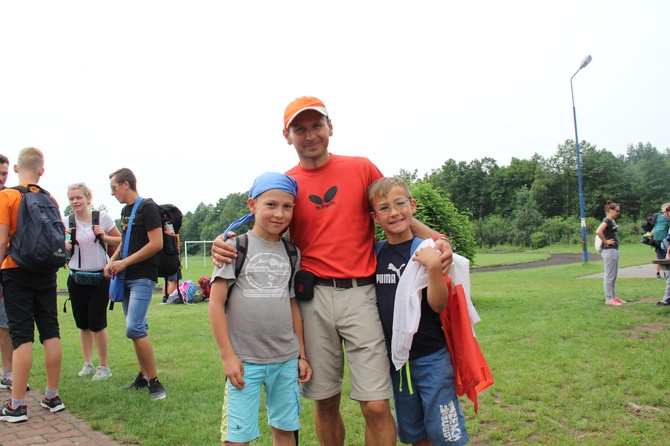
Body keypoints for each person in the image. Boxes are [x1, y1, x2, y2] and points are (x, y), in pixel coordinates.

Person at [212, 96, 453, 446]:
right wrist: (223, 241)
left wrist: (438, 239)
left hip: (362, 295)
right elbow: (261, 227)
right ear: (287, 136)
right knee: (325, 401)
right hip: (312, 300)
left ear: (330, 127)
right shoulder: (287, 183)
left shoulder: (361, 168)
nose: (310, 135)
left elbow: (394, 209)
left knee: (376, 405)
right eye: (300, 129)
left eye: (316, 125)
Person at [208, 172, 312, 445]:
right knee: (237, 436)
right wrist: (228, 357)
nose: (279, 214)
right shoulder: (234, 247)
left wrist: (301, 355)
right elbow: (215, 304)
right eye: (271, 205)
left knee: (285, 430)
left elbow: (293, 305)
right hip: (245, 362)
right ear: (252, 205)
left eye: (287, 206)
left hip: (286, 361)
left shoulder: (292, 253)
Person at [368, 177, 469, 445]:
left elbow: (438, 304)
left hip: (431, 358)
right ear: (375, 218)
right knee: (414, 433)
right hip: (399, 362)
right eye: (384, 208)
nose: (394, 212)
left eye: (400, 204)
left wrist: (433, 267)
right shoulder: (375, 254)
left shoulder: (426, 250)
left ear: (412, 206)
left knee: (446, 432)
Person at [0, 147, 65, 422]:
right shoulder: (50, 198)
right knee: (50, 331)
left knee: (21, 337)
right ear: (41, 170)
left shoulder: (7, 196)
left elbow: (2, 240)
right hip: (45, 272)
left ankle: (17, 405)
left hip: (16, 270)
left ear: (16, 168)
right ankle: (52, 395)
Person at [104, 167, 166, 399]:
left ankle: (155, 382)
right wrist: (112, 260)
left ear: (126, 184)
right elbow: (125, 240)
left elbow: (156, 243)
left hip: (142, 276)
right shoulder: (125, 211)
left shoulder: (148, 207)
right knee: (136, 329)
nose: (112, 193)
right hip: (125, 276)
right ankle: (143, 375)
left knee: (135, 328)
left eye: (114, 188)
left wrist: (125, 262)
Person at [65, 183, 121, 381]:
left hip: (100, 277)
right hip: (76, 277)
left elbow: (121, 240)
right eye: (72, 198)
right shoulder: (67, 222)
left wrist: (104, 236)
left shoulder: (101, 218)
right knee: (83, 324)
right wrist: (62, 244)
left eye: (79, 197)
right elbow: (57, 247)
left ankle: (104, 366)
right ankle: (87, 363)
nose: (75, 202)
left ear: (88, 199)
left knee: (97, 322)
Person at [0, 154, 14, 390]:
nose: (2, 178)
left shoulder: (10, 198)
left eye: (4, 173)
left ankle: (8, 372)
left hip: (6, 267)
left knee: (4, 321)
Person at [595, 200, 624, 306]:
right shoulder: (607, 220)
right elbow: (598, 231)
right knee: (609, 275)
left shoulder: (612, 220)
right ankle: (609, 298)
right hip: (608, 250)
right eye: (617, 211)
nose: (618, 213)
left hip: (614, 249)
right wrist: (605, 241)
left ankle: (614, 296)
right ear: (611, 210)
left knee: (614, 275)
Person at [651, 204, 670, 279]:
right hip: (665, 240)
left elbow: (653, 230)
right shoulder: (666, 218)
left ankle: (658, 274)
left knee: (659, 257)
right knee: (666, 256)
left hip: (656, 239)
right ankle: (666, 273)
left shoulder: (658, 216)